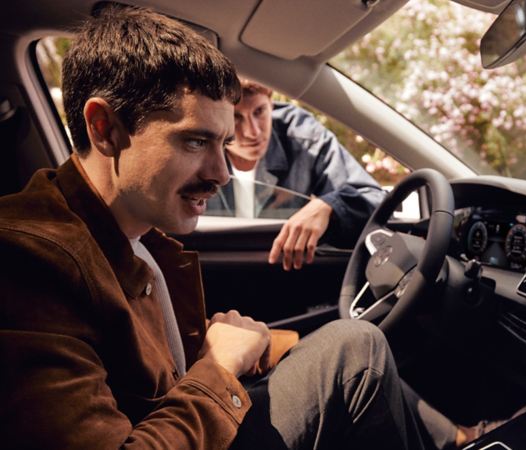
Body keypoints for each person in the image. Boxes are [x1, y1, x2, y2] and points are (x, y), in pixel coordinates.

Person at [0, 6, 469, 450]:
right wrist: (220, 367)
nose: (222, 173)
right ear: (105, 129)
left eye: (222, 142)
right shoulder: (27, 260)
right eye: (196, 141)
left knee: (340, 346)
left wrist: (257, 346)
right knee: (356, 348)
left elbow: (140, 364)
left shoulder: (126, 233)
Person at [206, 80, 385, 271]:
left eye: (259, 112)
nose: (253, 132)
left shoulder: (304, 137)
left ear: (271, 104)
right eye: (236, 118)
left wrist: (328, 206)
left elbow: (374, 198)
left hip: (287, 270)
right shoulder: (197, 143)